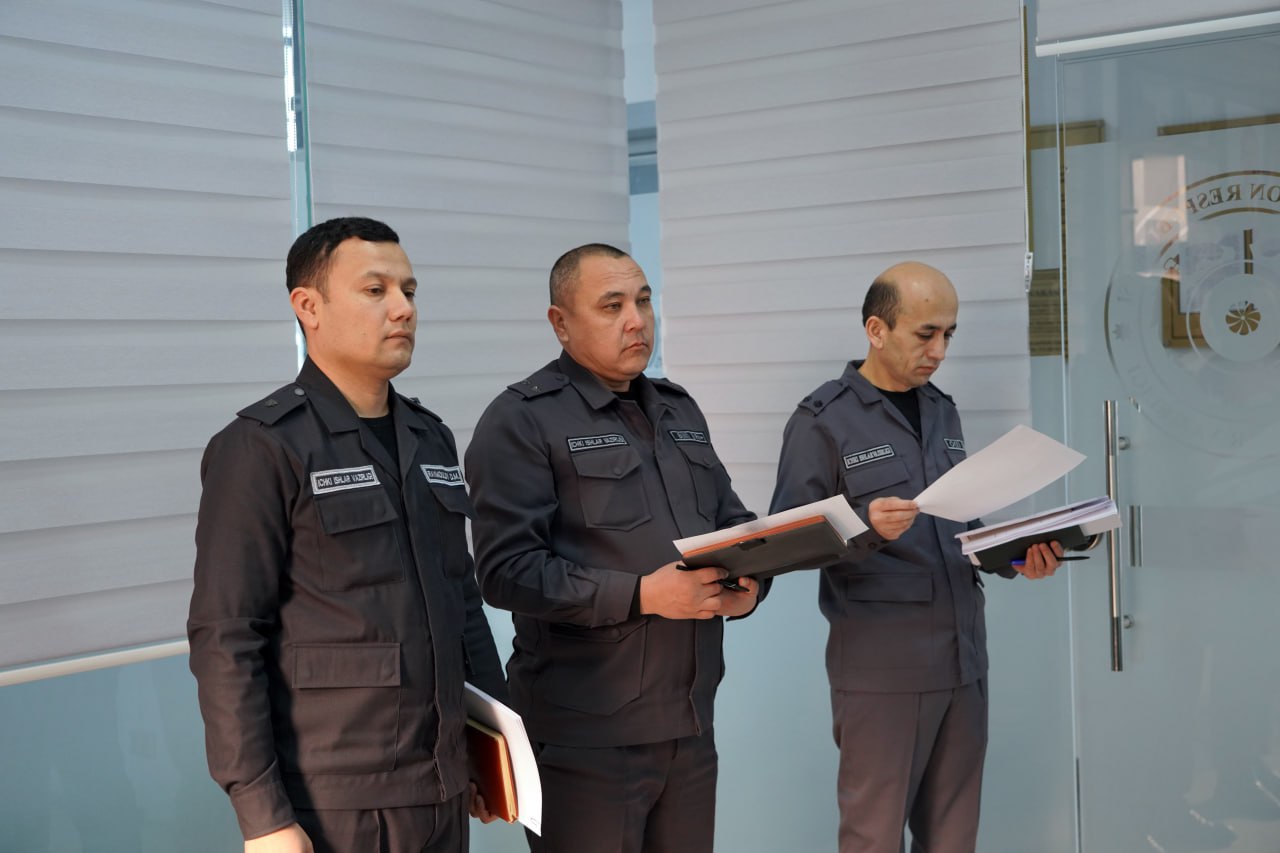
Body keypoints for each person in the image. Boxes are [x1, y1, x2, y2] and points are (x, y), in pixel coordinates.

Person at [187, 217, 506, 853]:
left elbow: (462, 603)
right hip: (334, 801)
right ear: (309, 307)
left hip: (440, 791)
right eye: (375, 290)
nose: (403, 308)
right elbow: (226, 636)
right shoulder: (262, 447)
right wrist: (262, 816)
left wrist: (490, 750)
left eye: (409, 291)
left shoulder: (430, 438)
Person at [464, 243, 761, 853]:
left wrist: (750, 586)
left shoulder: (678, 409)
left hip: (688, 726)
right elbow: (506, 571)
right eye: (612, 305)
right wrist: (643, 594)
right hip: (585, 740)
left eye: (644, 301)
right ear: (561, 323)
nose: (636, 320)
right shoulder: (521, 420)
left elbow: (732, 522)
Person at [769, 261, 1063, 853]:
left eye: (948, 335)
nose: (939, 351)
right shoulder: (822, 420)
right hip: (884, 668)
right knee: (874, 838)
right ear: (876, 330)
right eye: (925, 334)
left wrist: (1014, 558)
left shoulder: (942, 410)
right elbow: (785, 542)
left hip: (963, 659)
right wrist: (866, 527)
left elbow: (959, 523)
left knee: (954, 836)